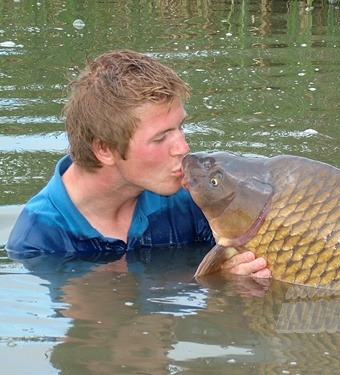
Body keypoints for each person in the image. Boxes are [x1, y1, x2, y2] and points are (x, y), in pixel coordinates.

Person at [6, 49, 270, 278]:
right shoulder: (39, 240)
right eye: (160, 138)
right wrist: (214, 283)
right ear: (104, 149)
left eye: (180, 127)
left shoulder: (192, 197)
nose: (183, 148)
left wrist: (236, 274)